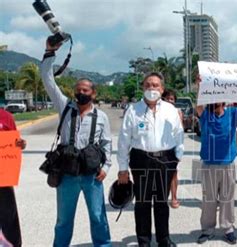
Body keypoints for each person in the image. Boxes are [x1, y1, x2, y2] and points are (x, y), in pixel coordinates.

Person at [40, 40, 113, 246]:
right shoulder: (65, 107)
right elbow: (48, 80)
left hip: (92, 175)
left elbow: (107, 145)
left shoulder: (102, 117)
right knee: (63, 221)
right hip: (67, 175)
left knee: (99, 218)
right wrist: (50, 52)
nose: (81, 93)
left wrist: (106, 168)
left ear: (93, 94)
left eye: (86, 91)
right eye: (78, 90)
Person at [117, 72, 184, 247]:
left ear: (162, 89)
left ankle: (164, 239)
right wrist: (123, 168)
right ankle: (144, 241)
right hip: (141, 160)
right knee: (143, 203)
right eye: (148, 85)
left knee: (162, 201)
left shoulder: (171, 110)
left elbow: (179, 134)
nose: (151, 88)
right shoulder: (133, 110)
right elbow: (124, 140)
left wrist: (177, 157)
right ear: (143, 88)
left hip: (166, 159)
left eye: (155, 85)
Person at [195, 77, 237, 245]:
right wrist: (200, 86)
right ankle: (207, 230)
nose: (217, 101)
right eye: (213, 97)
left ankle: (228, 228)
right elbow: (198, 105)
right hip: (209, 164)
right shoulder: (205, 115)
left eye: (220, 97)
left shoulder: (232, 113)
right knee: (209, 199)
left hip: (227, 164)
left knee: (227, 198)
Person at [0, 109, 26, 247]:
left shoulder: (6, 117)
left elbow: (15, 141)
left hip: (2, 177)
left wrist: (21, 144)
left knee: (8, 217)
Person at [162, 89, 183, 209]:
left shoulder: (177, 112)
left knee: (173, 173)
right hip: (160, 147)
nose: (170, 101)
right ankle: (161, 197)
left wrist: (179, 150)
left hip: (173, 146)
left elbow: (180, 131)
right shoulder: (157, 110)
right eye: (168, 98)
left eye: (172, 99)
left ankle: (174, 197)